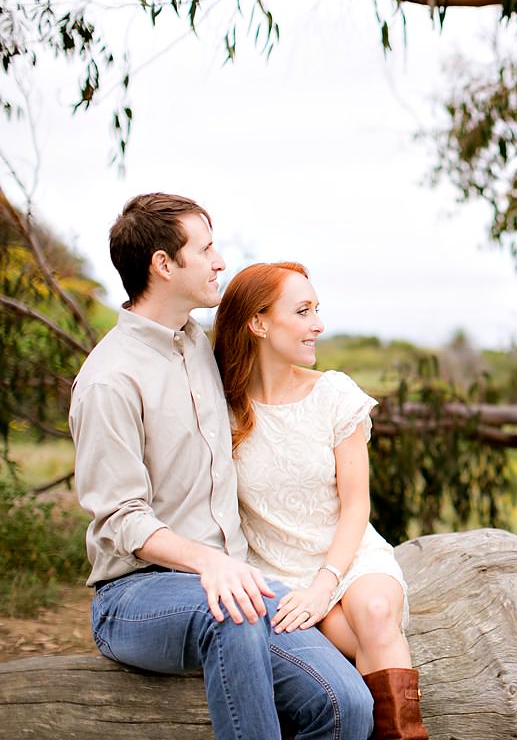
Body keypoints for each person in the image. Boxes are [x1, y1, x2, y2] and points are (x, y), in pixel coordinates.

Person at [70, 193, 374, 740]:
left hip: (239, 581)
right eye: (206, 249)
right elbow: (119, 517)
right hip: (136, 595)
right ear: (164, 265)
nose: (219, 263)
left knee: (346, 704)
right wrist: (209, 565)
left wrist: (330, 396)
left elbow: (276, 373)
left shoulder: (199, 348)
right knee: (228, 614)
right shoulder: (109, 380)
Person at [212, 261, 429, 740]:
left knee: (373, 614)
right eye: (304, 311)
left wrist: (325, 583)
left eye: (318, 310)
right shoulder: (222, 409)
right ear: (259, 322)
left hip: (349, 559)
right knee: (344, 637)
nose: (319, 325)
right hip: (280, 572)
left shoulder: (334, 393)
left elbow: (356, 506)